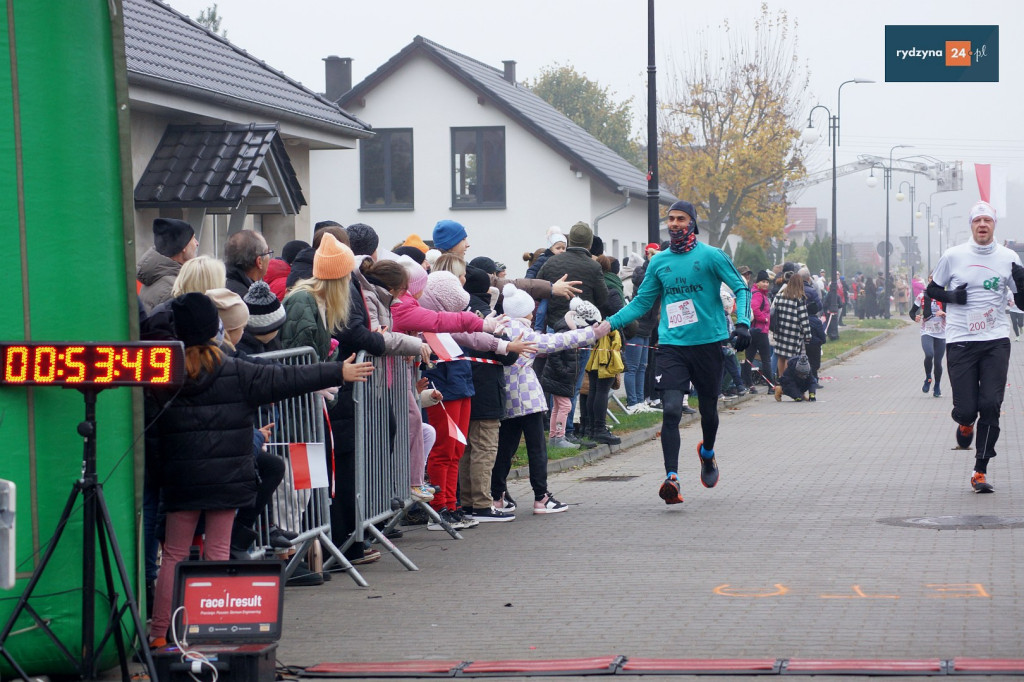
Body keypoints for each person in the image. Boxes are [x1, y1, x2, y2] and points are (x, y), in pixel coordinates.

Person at [147, 292, 372, 648]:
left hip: (180, 481)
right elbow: (287, 378)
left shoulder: (164, 374)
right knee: (217, 552)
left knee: (174, 554)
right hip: (228, 479)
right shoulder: (235, 369)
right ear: (214, 329)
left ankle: (160, 634)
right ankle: (209, 632)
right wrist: (337, 371)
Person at [601, 200, 751, 504]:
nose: (674, 224)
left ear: (692, 223)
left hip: (709, 344)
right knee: (670, 409)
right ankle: (672, 478)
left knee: (709, 412)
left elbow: (741, 287)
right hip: (673, 346)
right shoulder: (659, 262)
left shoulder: (711, 256)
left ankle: (707, 453)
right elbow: (643, 303)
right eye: (670, 219)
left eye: (681, 219)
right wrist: (608, 324)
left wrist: (744, 323)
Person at [927, 201, 1024, 493]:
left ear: (994, 225)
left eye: (988, 221)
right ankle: (965, 424)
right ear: (972, 225)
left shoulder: (1009, 258)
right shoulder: (953, 255)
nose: (983, 225)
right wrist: (952, 297)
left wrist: (1022, 282)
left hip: (995, 340)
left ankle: (980, 470)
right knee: (968, 409)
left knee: (991, 405)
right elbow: (932, 289)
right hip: (960, 341)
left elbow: (1021, 304)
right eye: (978, 220)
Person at [491, 285, 607, 514]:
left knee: (505, 448)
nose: (533, 313)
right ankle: (541, 497)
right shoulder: (523, 332)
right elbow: (554, 342)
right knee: (537, 449)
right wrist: (590, 334)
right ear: (524, 312)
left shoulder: (498, 326)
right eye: (530, 310)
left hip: (507, 397)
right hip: (528, 397)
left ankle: (497, 496)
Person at [137, 218, 198, 313]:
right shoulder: (173, 290)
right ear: (183, 246)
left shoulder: (157, 276)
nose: (196, 243)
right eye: (193, 238)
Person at [908, 276, 945, 398]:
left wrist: (945, 313)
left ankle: (937, 385)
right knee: (929, 355)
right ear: (929, 281)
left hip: (941, 332)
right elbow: (912, 312)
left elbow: (955, 315)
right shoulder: (922, 296)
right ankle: (928, 378)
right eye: (931, 279)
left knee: (938, 362)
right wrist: (915, 317)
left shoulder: (945, 296)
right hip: (927, 331)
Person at [771, 273, 811, 380]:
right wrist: (807, 333)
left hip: (780, 330)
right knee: (791, 358)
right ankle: (788, 379)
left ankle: (780, 378)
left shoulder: (779, 296)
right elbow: (803, 318)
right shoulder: (799, 298)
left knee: (781, 356)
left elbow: (774, 312)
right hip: (793, 332)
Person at [223, 229, 272, 297]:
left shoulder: (219, 286)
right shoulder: (251, 300)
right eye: (268, 252)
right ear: (259, 261)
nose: (269, 258)